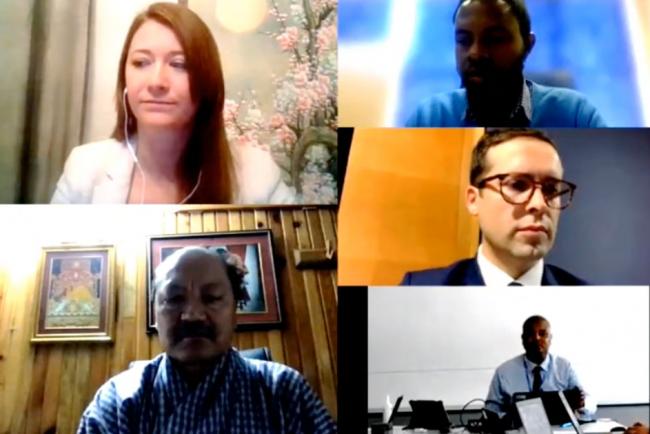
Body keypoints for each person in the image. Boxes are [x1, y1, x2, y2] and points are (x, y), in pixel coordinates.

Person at [52, 3, 294, 204]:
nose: (157, 82)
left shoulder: (257, 174)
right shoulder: (84, 168)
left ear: (206, 81)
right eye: (141, 62)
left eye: (179, 64)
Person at [77, 246, 336, 433]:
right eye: (174, 299)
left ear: (235, 312)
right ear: (156, 315)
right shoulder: (117, 400)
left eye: (212, 298)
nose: (192, 315)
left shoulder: (283, 391)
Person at [401, 128, 586, 285]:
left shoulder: (592, 301)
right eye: (517, 185)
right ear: (473, 200)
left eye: (551, 188)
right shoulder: (420, 288)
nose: (539, 203)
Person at [406, 0, 606, 127]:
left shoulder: (575, 114)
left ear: (528, 45)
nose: (475, 53)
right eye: (464, 40)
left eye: (494, 40)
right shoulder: (430, 117)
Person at [485, 315, 595, 422]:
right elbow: (491, 409)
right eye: (530, 334)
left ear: (550, 339)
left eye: (542, 334)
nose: (537, 338)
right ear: (523, 339)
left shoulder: (564, 367)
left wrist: (582, 404)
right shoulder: (504, 371)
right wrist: (507, 420)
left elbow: (589, 403)